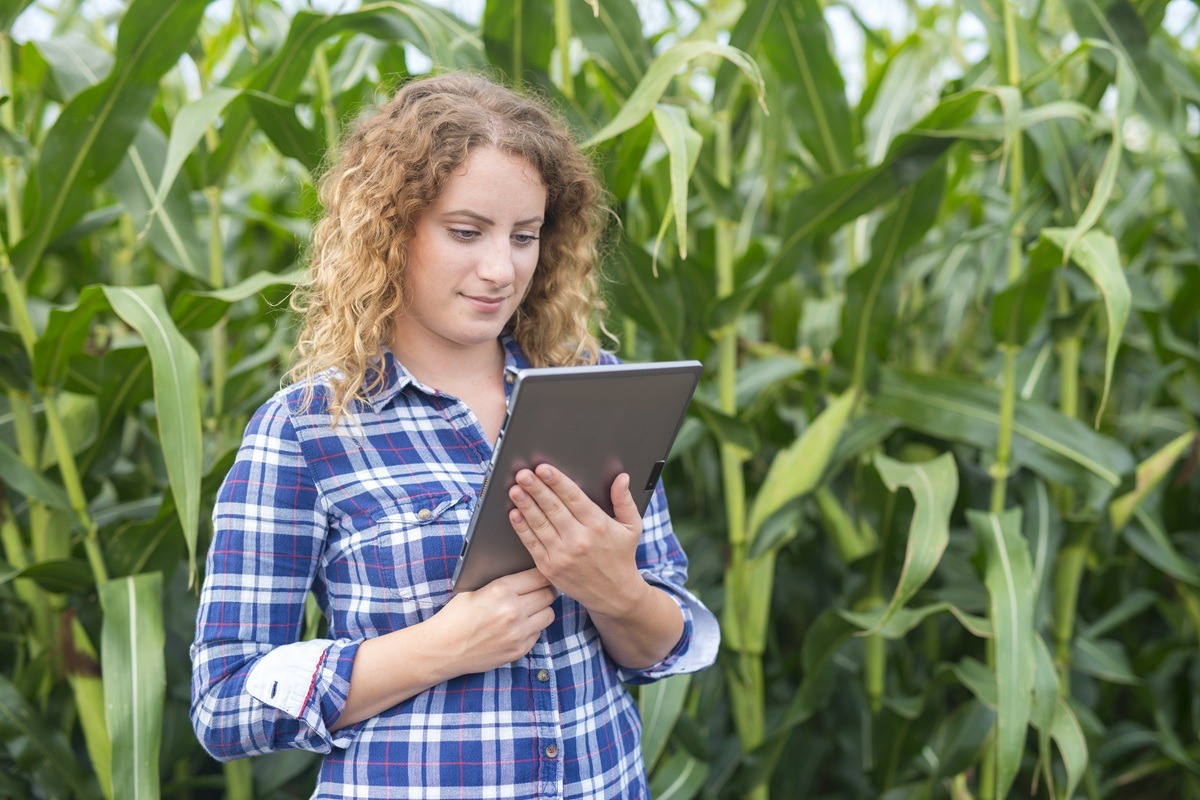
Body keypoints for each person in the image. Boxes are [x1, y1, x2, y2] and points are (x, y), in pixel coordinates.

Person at [190, 71, 719, 799]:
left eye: (525, 236)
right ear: (389, 230)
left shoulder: (598, 393)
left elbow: (663, 644)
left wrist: (617, 592)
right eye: (466, 232)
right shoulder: (308, 432)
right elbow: (225, 703)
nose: (501, 269)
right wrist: (435, 650)